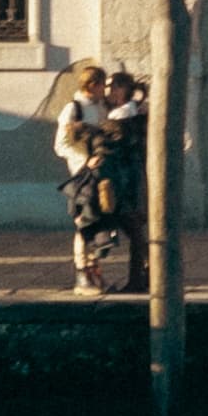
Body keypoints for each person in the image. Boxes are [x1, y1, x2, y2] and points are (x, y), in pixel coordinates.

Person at [54, 69, 116, 290]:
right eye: (102, 85)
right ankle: (82, 271)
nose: (105, 90)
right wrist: (85, 159)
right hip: (82, 175)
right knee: (84, 222)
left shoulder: (102, 107)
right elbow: (61, 145)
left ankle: (95, 269)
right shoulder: (73, 109)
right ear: (92, 85)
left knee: (101, 222)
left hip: (102, 173)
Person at [90, 68, 150, 290]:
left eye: (113, 87)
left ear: (123, 90)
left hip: (124, 178)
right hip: (133, 175)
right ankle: (144, 275)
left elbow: (111, 143)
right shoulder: (133, 112)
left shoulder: (122, 116)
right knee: (134, 229)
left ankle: (139, 278)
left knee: (132, 227)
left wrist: (87, 133)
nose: (108, 91)